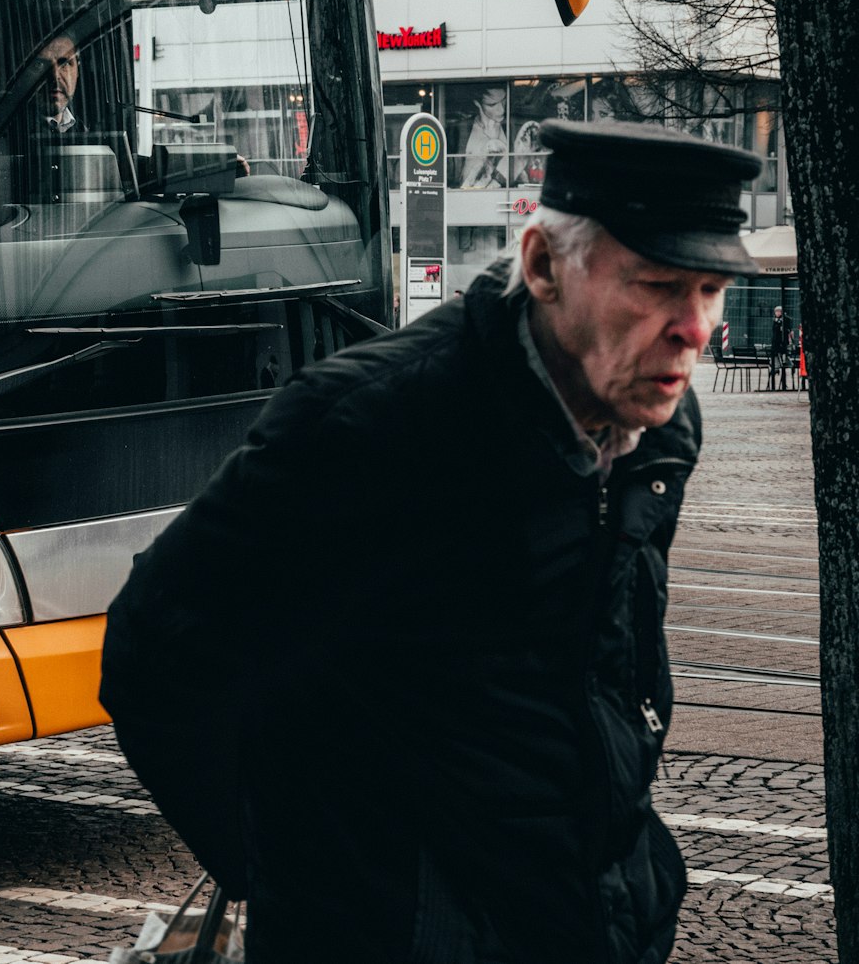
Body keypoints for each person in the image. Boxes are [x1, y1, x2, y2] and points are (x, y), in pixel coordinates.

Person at [100, 119, 762, 964]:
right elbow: (154, 653)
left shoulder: (659, 423)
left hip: (591, 915)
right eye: (659, 285)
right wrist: (303, 883)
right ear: (543, 266)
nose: (694, 329)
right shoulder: (370, 423)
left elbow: (610, 661)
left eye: (709, 291)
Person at [460, 86, 508, 188]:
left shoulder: (511, 127)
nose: (502, 109)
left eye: (504, 101)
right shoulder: (461, 130)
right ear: (477, 103)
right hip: (466, 196)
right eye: (492, 104)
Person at [770, 304, 793, 390]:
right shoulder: (775, 321)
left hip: (782, 345)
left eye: (778, 311)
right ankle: (775, 369)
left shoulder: (786, 320)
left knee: (782, 360)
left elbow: (788, 331)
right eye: (776, 311)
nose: (777, 313)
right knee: (776, 359)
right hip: (776, 345)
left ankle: (777, 369)